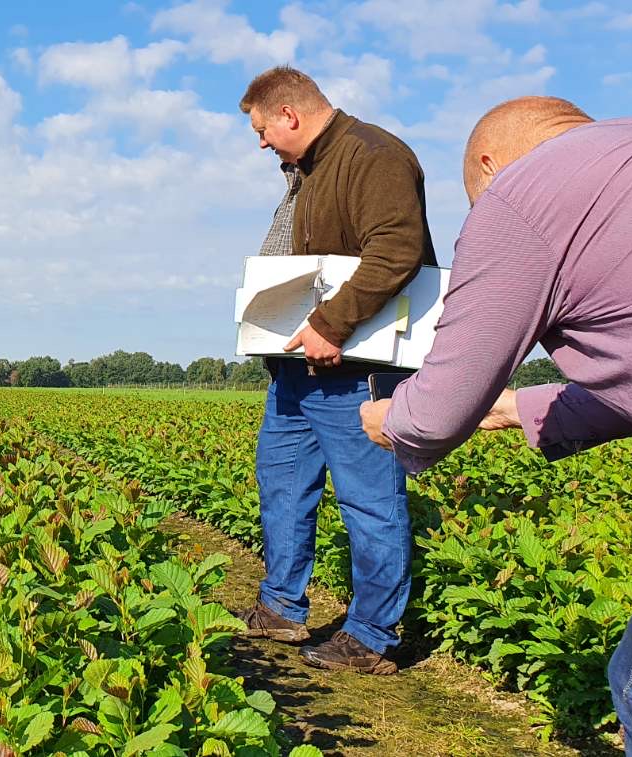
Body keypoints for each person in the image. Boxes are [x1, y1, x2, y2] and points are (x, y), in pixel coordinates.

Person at [362, 97, 632, 755]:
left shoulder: (518, 194)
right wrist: (513, 408)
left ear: (488, 165)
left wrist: (396, 419)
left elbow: (438, 408)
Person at [234, 66, 436, 674]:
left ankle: (372, 637)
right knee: (283, 484)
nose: (262, 143)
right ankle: (282, 607)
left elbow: (397, 248)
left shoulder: (372, 155)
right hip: (298, 371)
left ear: (289, 115)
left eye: (263, 130)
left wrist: (332, 323)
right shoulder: (309, 170)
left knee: (369, 501)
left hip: (355, 369)